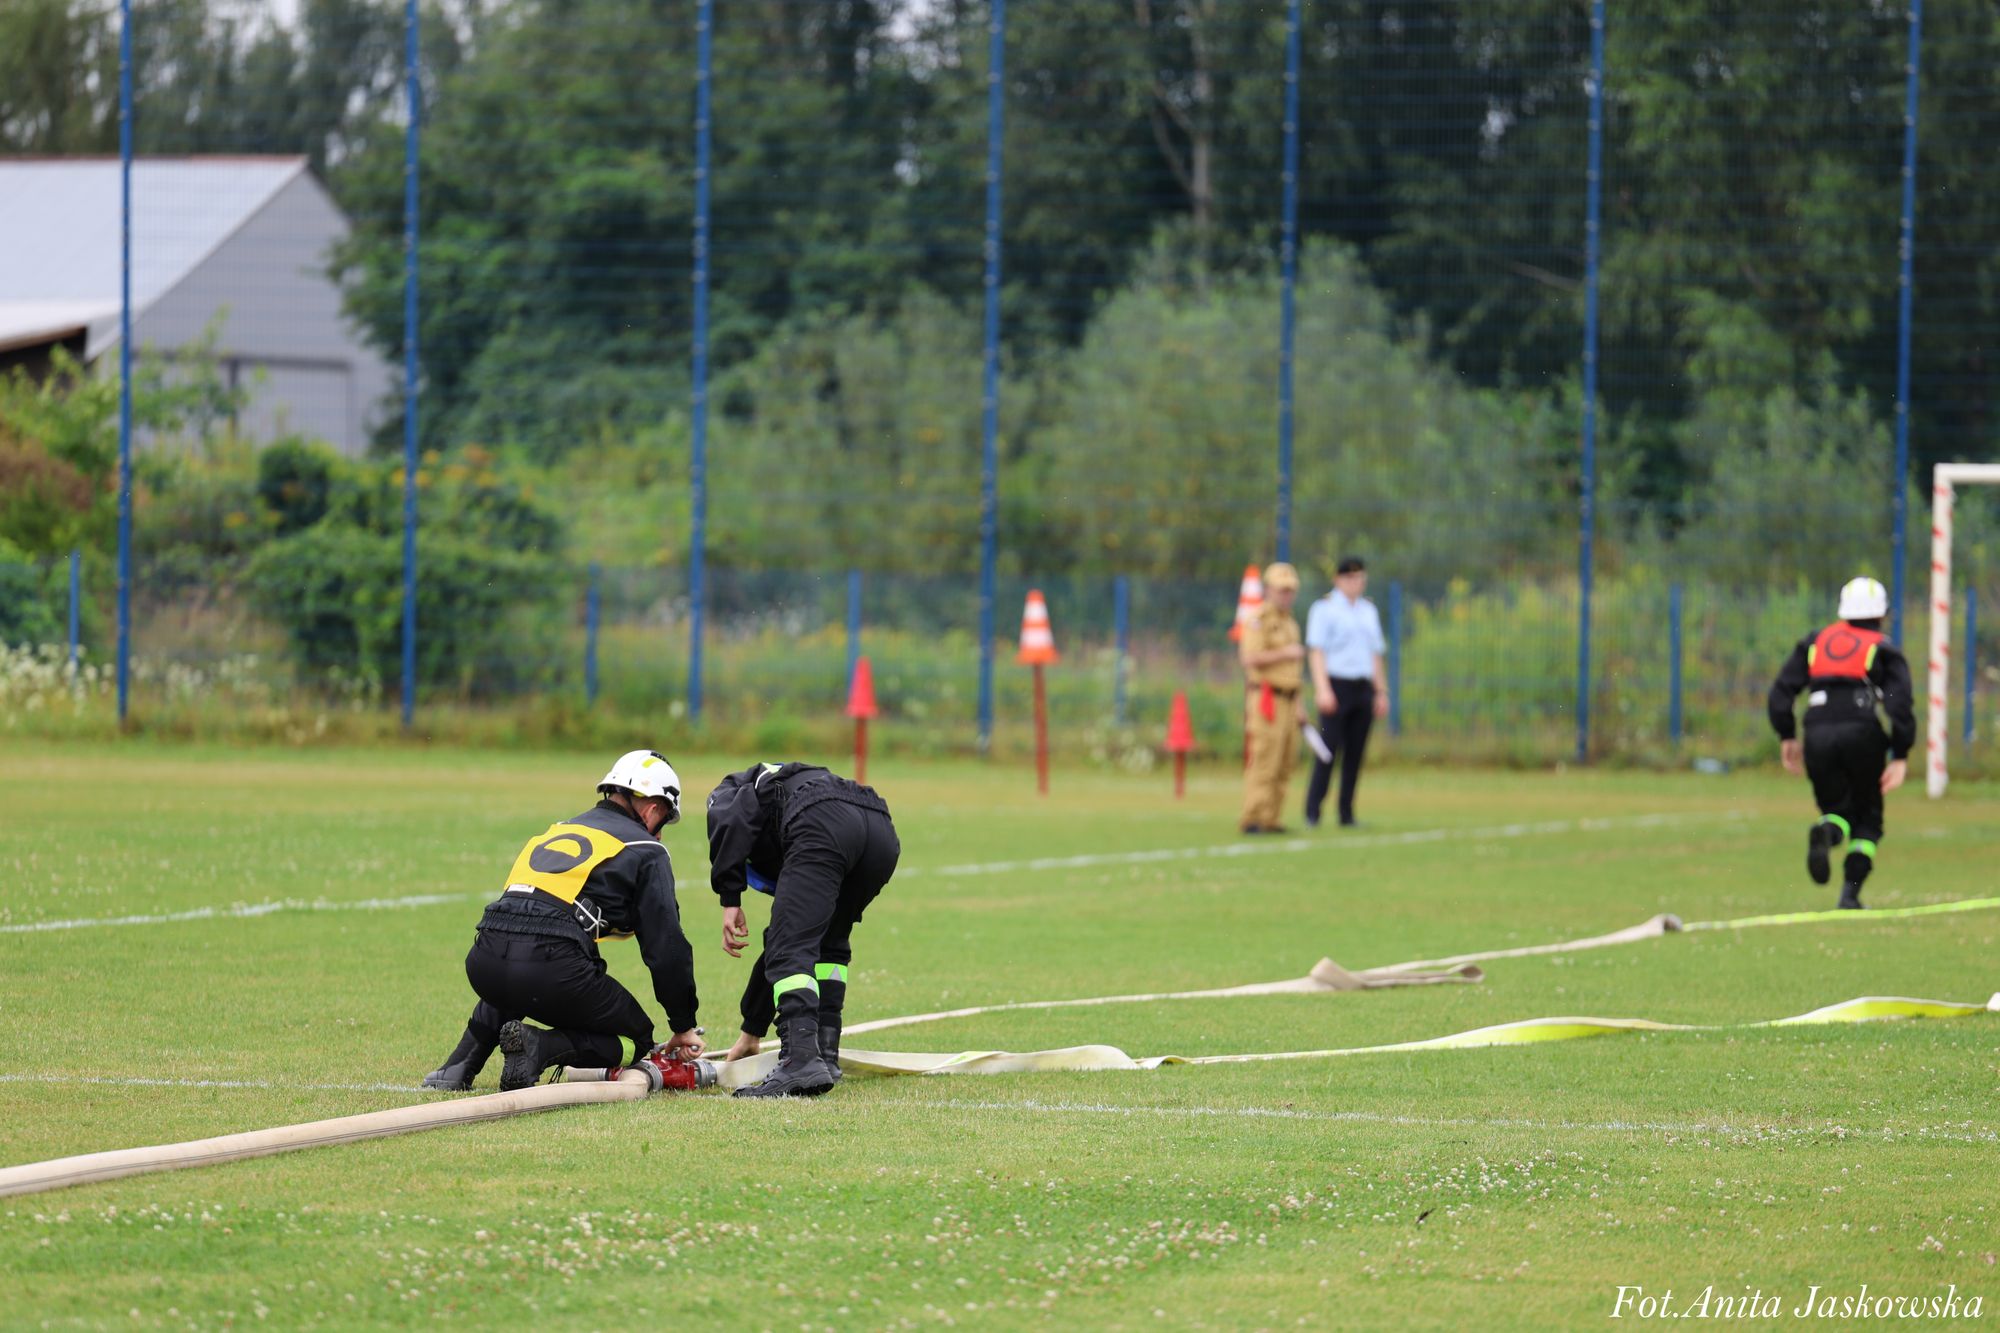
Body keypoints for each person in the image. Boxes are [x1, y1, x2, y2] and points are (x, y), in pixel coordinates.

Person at [421, 750, 704, 1092]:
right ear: (654, 807)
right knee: (637, 1038)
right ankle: (541, 1047)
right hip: (549, 967)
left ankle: (458, 1065)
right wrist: (683, 1023)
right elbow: (667, 947)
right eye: (663, 822)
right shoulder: (647, 849)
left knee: (516, 965)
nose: (660, 834)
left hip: (484, 960)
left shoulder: (557, 830)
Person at [707, 762, 900, 1097]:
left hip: (823, 818)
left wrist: (730, 896)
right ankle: (824, 1052)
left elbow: (729, 820)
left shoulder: (729, 793)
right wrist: (752, 1031)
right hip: (879, 828)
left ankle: (800, 1062)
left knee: (791, 947)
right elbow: (779, 944)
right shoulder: (782, 785)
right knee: (828, 942)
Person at [1766, 576, 1915, 910]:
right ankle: (1850, 894)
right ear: (1881, 614)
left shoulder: (1815, 642)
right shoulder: (1883, 648)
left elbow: (1780, 693)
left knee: (1836, 810)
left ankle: (1827, 833)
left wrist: (1787, 734)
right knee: (1868, 818)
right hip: (1862, 732)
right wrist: (1900, 752)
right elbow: (1899, 703)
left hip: (1816, 730)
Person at [1303, 556, 1390, 828]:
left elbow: (1375, 654)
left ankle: (1346, 813)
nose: (1356, 583)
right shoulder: (1324, 609)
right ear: (1338, 580)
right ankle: (1313, 812)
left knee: (1355, 753)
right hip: (1335, 686)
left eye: (1360, 578)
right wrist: (1322, 689)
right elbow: (1316, 652)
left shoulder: (1368, 611)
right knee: (1327, 751)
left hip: (1362, 688)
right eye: (1350, 578)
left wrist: (1381, 691)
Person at [1238, 561, 1308, 834]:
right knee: (1265, 758)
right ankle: (1253, 817)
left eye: (1290, 591)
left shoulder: (1290, 623)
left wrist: (1300, 706)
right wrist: (1285, 653)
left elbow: (1295, 671)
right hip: (1267, 699)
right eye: (1281, 590)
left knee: (1285, 761)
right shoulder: (1258, 620)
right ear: (1268, 590)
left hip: (1290, 700)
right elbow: (1249, 658)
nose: (1286, 596)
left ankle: (1272, 817)